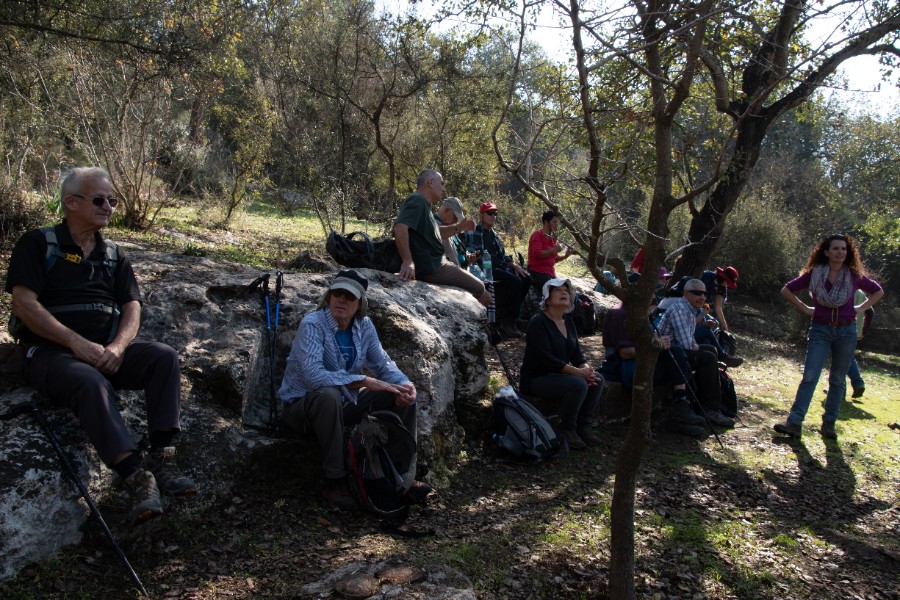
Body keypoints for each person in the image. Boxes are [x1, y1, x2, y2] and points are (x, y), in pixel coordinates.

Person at [5, 167, 196, 524]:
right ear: (70, 202)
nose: (108, 206)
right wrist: (76, 343)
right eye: (99, 200)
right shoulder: (37, 243)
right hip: (49, 354)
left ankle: (163, 457)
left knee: (163, 357)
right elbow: (24, 303)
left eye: (112, 200)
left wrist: (119, 348)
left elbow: (132, 306)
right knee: (90, 382)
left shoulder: (114, 254)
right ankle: (137, 478)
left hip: (105, 350)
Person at [278, 270, 431, 510]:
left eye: (349, 296)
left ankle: (398, 476)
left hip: (343, 402)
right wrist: (363, 381)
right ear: (329, 297)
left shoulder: (364, 325)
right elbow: (313, 376)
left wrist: (404, 384)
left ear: (359, 303)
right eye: (337, 293)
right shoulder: (313, 324)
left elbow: (382, 364)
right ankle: (335, 481)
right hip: (302, 407)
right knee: (328, 395)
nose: (341, 299)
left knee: (401, 396)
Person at [773, 234, 883, 440]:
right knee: (810, 376)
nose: (840, 252)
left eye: (843, 249)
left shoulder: (853, 275)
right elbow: (786, 290)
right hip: (820, 329)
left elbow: (877, 291)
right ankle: (794, 423)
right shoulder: (815, 273)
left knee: (838, 379)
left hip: (846, 331)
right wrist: (805, 308)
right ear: (826, 252)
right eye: (835, 249)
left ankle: (829, 424)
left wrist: (861, 308)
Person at [519, 278, 603, 450]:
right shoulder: (538, 322)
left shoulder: (569, 322)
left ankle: (583, 426)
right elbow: (547, 359)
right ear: (548, 300)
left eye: (566, 290)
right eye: (558, 290)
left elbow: (577, 355)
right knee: (578, 383)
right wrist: (579, 374)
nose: (564, 292)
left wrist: (587, 370)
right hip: (537, 378)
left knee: (598, 379)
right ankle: (567, 429)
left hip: (558, 375)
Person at [602, 301, 706, 436]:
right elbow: (626, 353)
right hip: (626, 369)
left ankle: (683, 405)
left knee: (677, 353)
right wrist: (656, 345)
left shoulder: (641, 313)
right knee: (677, 361)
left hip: (642, 363)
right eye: (651, 295)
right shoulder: (620, 314)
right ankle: (680, 413)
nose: (653, 298)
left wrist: (659, 343)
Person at [393, 170, 491, 307]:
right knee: (481, 290)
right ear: (431, 183)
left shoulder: (425, 205)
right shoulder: (417, 200)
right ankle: (481, 327)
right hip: (434, 267)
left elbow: (435, 233)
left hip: (437, 264)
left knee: (482, 288)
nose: (444, 189)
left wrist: (459, 228)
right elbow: (400, 227)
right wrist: (407, 261)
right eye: (442, 184)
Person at [657, 279, 735, 427]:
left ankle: (710, 405)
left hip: (678, 351)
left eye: (704, 293)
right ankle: (710, 408)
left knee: (710, 350)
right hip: (668, 354)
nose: (702, 297)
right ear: (686, 294)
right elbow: (686, 344)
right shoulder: (680, 309)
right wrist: (698, 347)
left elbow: (690, 341)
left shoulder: (690, 310)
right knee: (708, 357)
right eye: (697, 293)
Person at [461, 202, 533, 339]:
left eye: (495, 214)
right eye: (489, 213)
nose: (493, 216)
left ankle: (508, 315)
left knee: (527, 278)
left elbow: (503, 256)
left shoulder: (493, 234)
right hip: (483, 268)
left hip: (498, 266)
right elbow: (470, 253)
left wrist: (515, 265)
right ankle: (509, 321)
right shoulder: (473, 231)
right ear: (481, 215)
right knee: (515, 281)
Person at [527, 210, 574, 293]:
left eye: (557, 222)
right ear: (546, 222)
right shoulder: (537, 235)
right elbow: (537, 254)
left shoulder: (553, 238)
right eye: (554, 222)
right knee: (555, 291)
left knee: (567, 290)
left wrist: (565, 256)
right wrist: (554, 249)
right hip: (537, 272)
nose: (556, 224)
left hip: (550, 273)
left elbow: (554, 259)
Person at [434, 196, 473, 268]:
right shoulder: (433, 224)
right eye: (455, 217)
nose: (456, 221)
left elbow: (455, 252)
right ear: (446, 210)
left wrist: (468, 258)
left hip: (460, 271)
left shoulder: (450, 227)